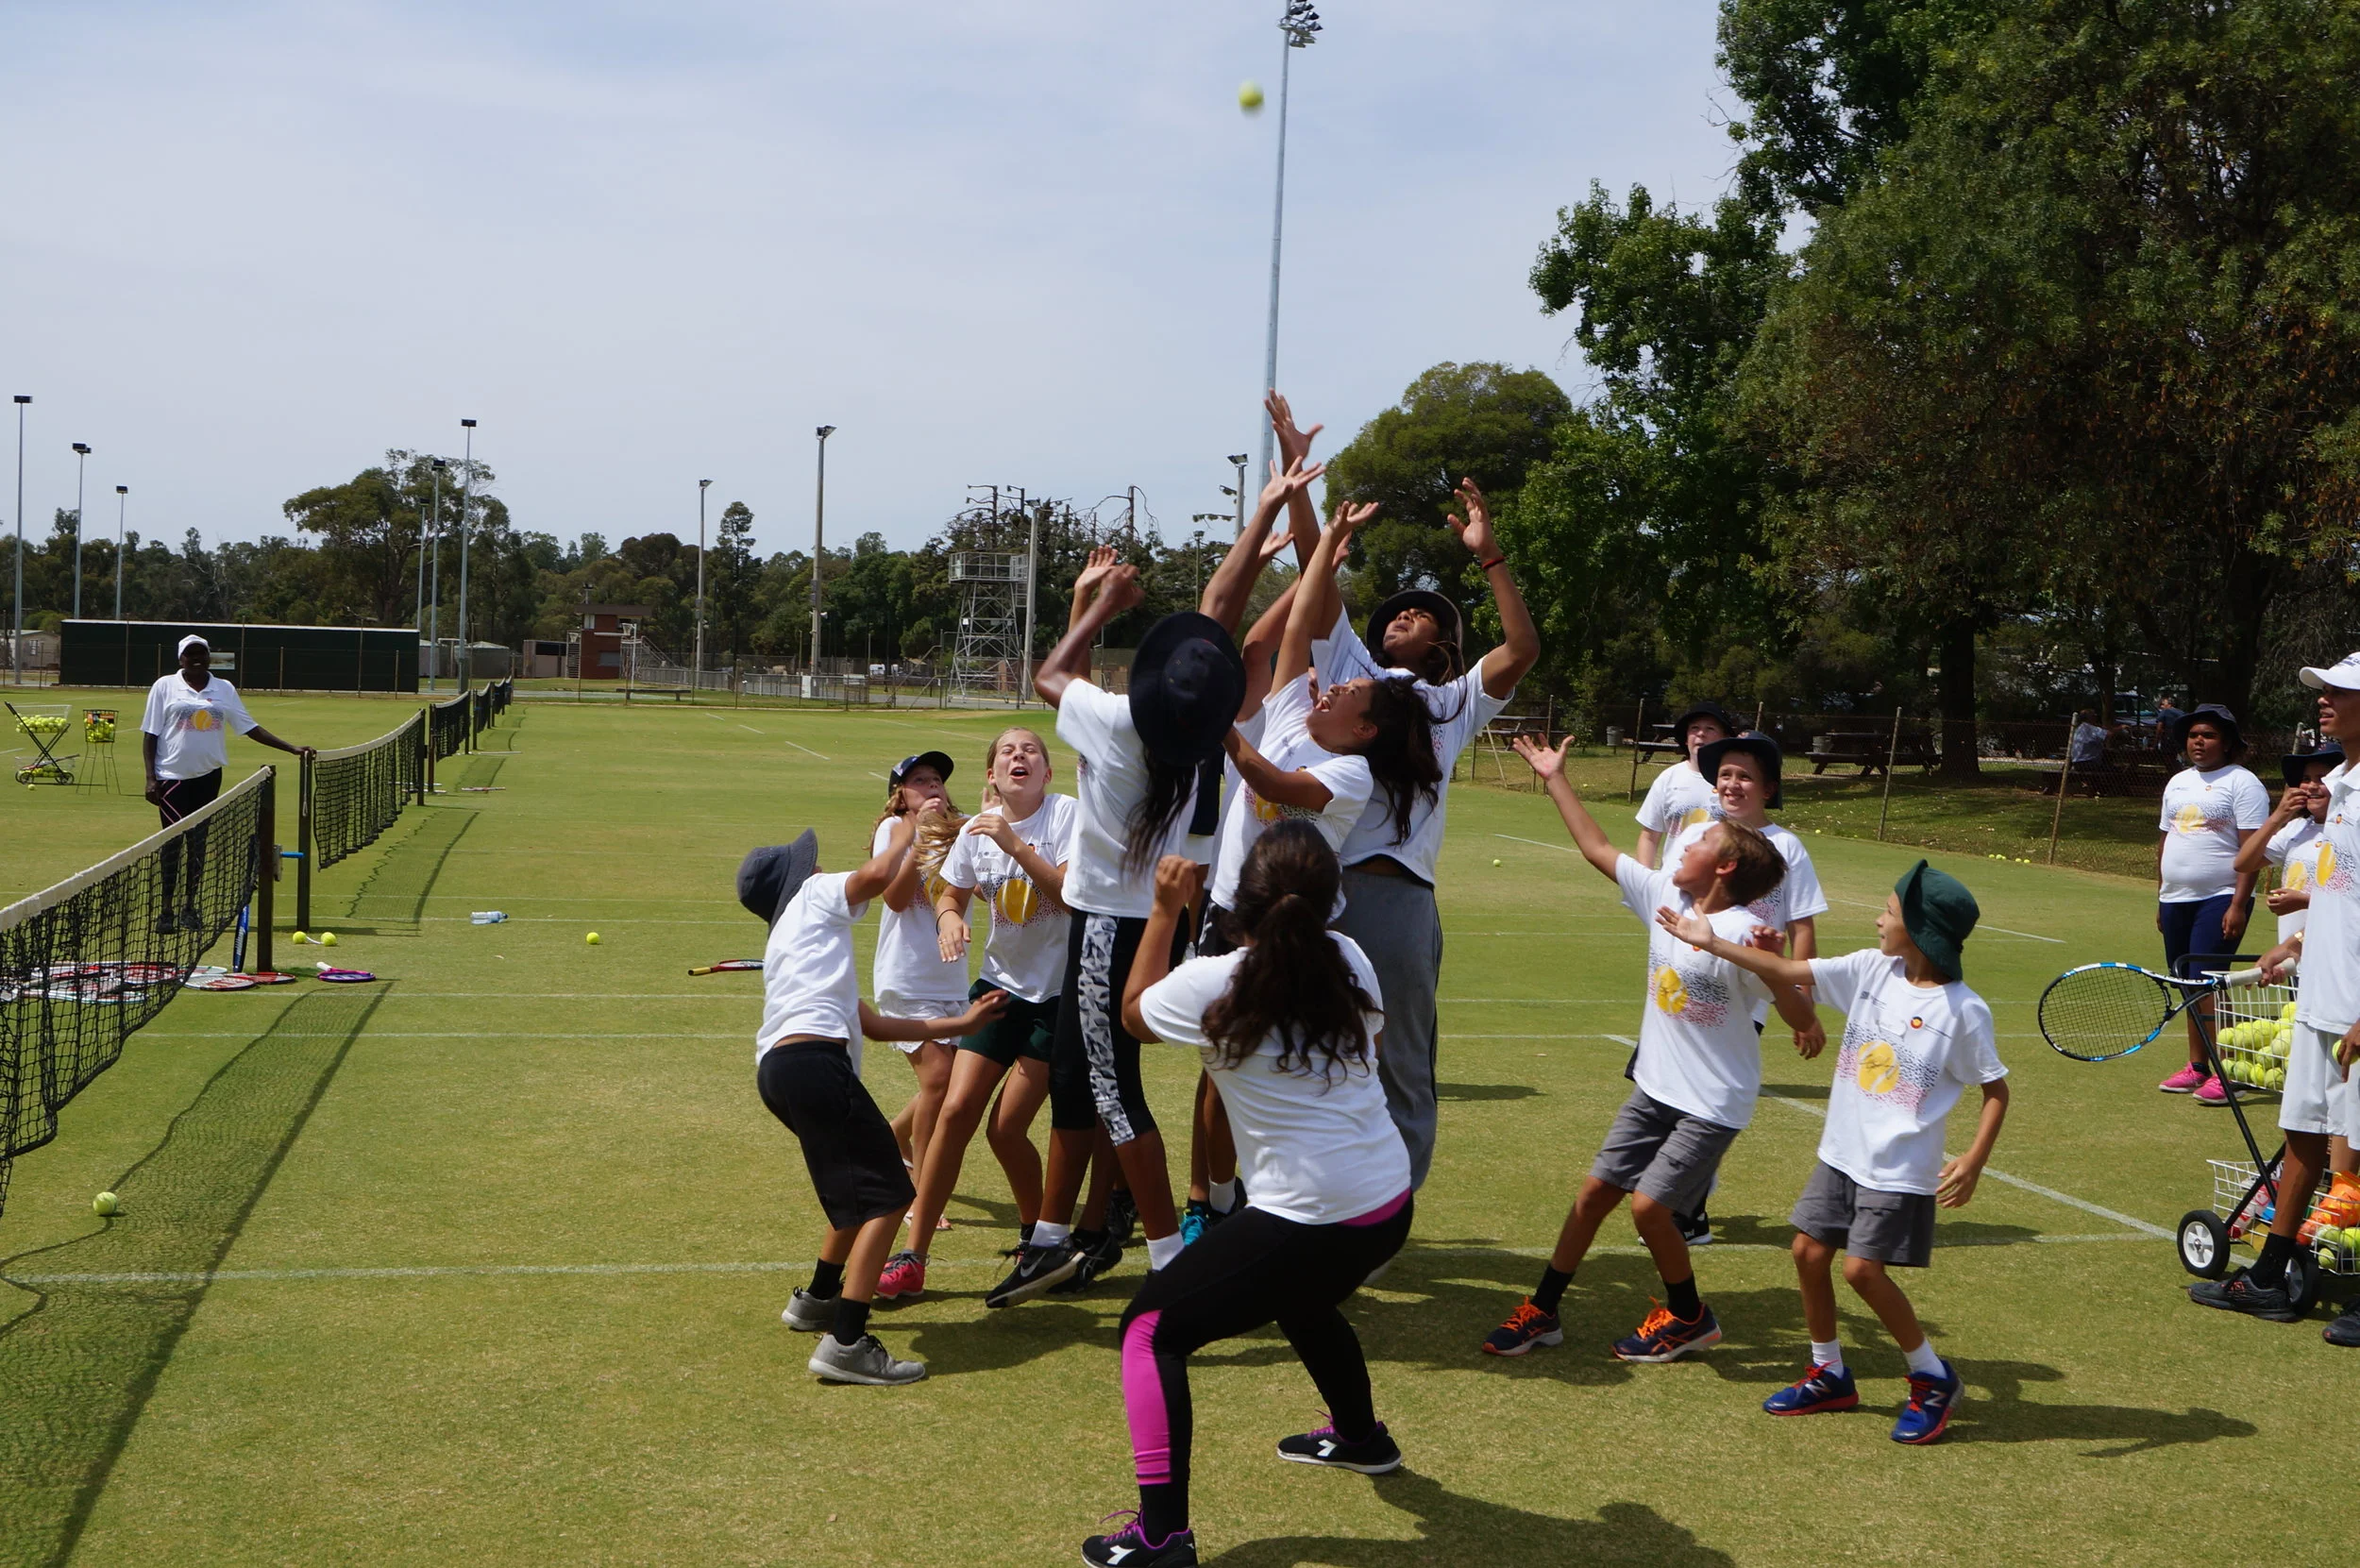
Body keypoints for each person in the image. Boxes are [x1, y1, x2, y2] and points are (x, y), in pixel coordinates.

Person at [1080, 826, 1413, 1568]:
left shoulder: (1213, 980)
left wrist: (1164, 908)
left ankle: (1161, 1537)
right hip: (1388, 1201)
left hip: (1316, 1213)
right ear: (1333, 899)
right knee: (1300, 1292)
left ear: (1241, 903)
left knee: (1148, 1330)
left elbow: (1131, 1014)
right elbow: (1373, 1052)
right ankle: (1361, 1438)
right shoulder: (1351, 957)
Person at [1266, 389, 1542, 1192]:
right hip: (1316, 892)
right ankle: (1301, 1201)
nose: (1404, 616)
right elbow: (1318, 580)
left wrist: (1489, 556)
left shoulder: (1449, 703)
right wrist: (1298, 473)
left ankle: (1386, 1210)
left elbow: (1522, 646)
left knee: (1398, 1066)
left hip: (1391, 897)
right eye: (1397, 611)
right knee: (1300, 1053)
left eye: (1422, 615)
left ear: (1445, 649)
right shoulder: (1351, 673)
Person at [1480, 733, 1817, 1362]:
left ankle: (1689, 1315)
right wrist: (1554, 776)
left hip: (1712, 1102)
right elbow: (1597, 847)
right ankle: (1543, 1309)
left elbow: (1799, 1009)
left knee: (1650, 1207)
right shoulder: (1665, 894)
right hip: (1655, 1087)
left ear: (1722, 868)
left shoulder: (1746, 933)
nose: (1681, 844)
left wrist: (1770, 965)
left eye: (1696, 844)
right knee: (1591, 1197)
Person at [1658, 861, 2010, 1444]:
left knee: (1861, 1271)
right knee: (1806, 1252)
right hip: (1840, 1153)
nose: (1877, 919)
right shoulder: (1871, 968)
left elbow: (1995, 1089)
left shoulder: (1963, 1011)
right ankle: (1829, 1372)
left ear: (1922, 931)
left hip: (1897, 1167)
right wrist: (1715, 943)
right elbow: (1788, 968)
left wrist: (1973, 1159)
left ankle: (1931, 1377)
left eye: (1890, 912)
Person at [988, 541, 1254, 1307]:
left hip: (1108, 927)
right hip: (1153, 927)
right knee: (1076, 1082)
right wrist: (1267, 509)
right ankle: (1049, 1240)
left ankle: (1171, 1262)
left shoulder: (1120, 724)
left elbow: (1051, 678)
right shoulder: (1202, 744)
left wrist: (1103, 606)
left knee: (1110, 1091)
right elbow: (1217, 620)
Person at [1184, 503, 1443, 1243]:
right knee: (1218, 1063)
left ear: (1365, 730)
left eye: (1348, 695)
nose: (1328, 689)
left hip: (1293, 932)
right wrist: (1324, 546)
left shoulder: (1351, 774)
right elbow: (1295, 637)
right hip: (1229, 911)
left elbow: (1268, 780)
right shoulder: (1300, 716)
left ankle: (1286, 1196)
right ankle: (1220, 1197)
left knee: (1283, 1064)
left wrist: (1214, 721)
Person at [744, 827, 1004, 1385]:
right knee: (890, 1197)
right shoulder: (811, 899)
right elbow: (875, 877)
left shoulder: (794, 944)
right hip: (815, 1064)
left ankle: (815, 1299)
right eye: (809, 867)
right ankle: (846, 1343)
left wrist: (961, 1023)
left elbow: (874, 1023)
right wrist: (914, 826)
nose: (819, 871)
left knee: (856, 1193)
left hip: (780, 1072)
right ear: (798, 885)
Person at [874, 728, 1078, 1301]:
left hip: (1057, 997)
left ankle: (1039, 1240)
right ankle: (913, 1256)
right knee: (955, 1108)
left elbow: (1068, 896)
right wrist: (948, 919)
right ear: (991, 774)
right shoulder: (974, 831)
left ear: (1047, 773)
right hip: (998, 989)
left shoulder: (1066, 817)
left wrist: (1014, 844)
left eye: (1031, 750)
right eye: (1007, 752)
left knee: (1007, 1128)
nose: (1020, 756)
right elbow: (950, 892)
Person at [2212, 656, 2360, 1347]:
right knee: (2302, 1132)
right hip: (2319, 1000)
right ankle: (2270, 1274)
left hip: (2356, 1007)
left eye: (2339, 692)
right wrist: (2295, 945)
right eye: (2323, 691)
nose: (2324, 702)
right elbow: (2343, 898)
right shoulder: (2339, 787)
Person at [1661, 729, 1829, 1240]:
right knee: (1668, 1097)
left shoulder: (1786, 847)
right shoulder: (1701, 838)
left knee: (1700, 1102)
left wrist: (1803, 1000)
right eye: (1725, 775)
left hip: (1741, 995)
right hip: (1681, 985)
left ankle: (1687, 1213)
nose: (1732, 785)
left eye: (1745, 777)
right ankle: (1677, 1204)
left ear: (1769, 789)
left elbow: (1802, 925)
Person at [139, 632, 313, 933]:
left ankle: (189, 909)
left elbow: (249, 727)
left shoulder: (224, 688)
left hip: (208, 777)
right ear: (180, 659)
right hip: (171, 778)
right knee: (172, 844)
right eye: (190, 654)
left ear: (209, 657)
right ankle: (166, 911)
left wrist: (292, 748)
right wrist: (150, 779)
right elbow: (150, 734)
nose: (196, 659)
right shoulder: (165, 686)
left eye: (201, 654)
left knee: (198, 843)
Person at [2152, 704, 2270, 1106]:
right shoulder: (2178, 782)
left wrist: (2238, 904)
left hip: (2220, 897)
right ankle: (2197, 1067)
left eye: (2209, 735)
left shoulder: (2243, 782)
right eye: (2193, 735)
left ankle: (2230, 1070)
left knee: (2209, 985)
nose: (2199, 742)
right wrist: (2161, 895)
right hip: (2175, 898)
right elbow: (2166, 841)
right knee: (2187, 984)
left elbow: (2253, 849)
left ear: (2228, 743)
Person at [869, 752, 971, 1187]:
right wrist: (920, 836)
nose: (931, 786)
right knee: (940, 1080)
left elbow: (980, 890)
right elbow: (893, 897)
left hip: (951, 977)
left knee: (947, 1086)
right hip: (906, 976)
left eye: (936, 780)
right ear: (900, 795)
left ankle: (892, 1135)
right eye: (919, 781)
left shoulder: (960, 830)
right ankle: (920, 1189)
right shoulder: (894, 830)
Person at [1635, 701, 1736, 869]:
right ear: (1686, 737)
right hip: (1672, 885)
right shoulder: (1669, 778)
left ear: (1725, 737)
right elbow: (1649, 837)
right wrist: (1645, 881)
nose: (1701, 734)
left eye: (1710, 729)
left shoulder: (1734, 783)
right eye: (1694, 728)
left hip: (1720, 886)